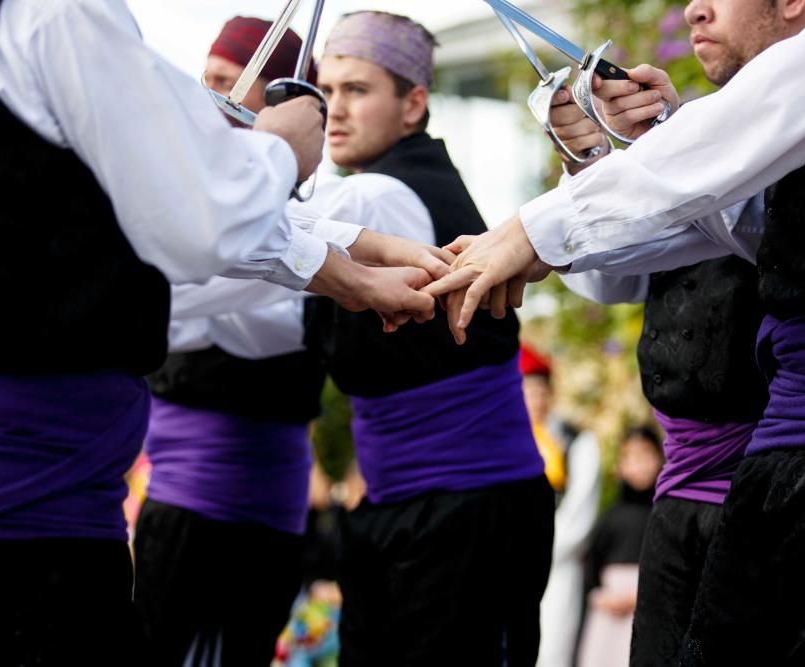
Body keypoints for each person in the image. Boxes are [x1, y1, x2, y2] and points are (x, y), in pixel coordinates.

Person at [0, 1, 440, 664]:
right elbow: (193, 221)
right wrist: (279, 150)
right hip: (12, 522)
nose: (211, 95)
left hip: (47, 513)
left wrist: (347, 268)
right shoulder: (55, 13)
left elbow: (162, 206)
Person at [427, 1, 805, 663]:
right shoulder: (750, 135)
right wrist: (609, 159)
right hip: (766, 468)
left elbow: (742, 140)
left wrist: (535, 229)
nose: (694, 6)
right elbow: (718, 221)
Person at [545, 1, 805, 663]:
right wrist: (595, 155)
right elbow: (607, 279)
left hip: (784, 497)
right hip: (678, 499)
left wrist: (675, 146)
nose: (694, 8)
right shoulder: (690, 141)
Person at [305, 12, 554, 666]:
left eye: (356, 90)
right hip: (445, 507)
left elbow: (243, 235)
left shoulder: (374, 197)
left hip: (460, 514)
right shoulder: (390, 186)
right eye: (324, 90)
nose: (333, 110)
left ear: (414, 103)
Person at [131, 19, 329, 667]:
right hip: (177, 504)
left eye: (226, 83)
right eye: (209, 79)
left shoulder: (307, 214)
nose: (207, 98)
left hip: (249, 513)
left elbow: (223, 308)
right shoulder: (187, 201)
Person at [520, 346, 603, 667]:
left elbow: (580, 509)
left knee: (553, 651)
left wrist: (538, 546)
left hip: (557, 561)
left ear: (551, 394)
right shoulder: (505, 442)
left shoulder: (576, 443)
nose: (534, 401)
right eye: (526, 392)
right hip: (509, 559)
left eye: (540, 392)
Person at [577, 427, 663, 667]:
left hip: (646, 610)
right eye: (631, 458)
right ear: (620, 465)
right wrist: (598, 595)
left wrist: (640, 595)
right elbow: (591, 561)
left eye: (645, 455)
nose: (639, 465)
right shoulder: (611, 516)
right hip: (608, 613)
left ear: (660, 458)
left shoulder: (664, 515)